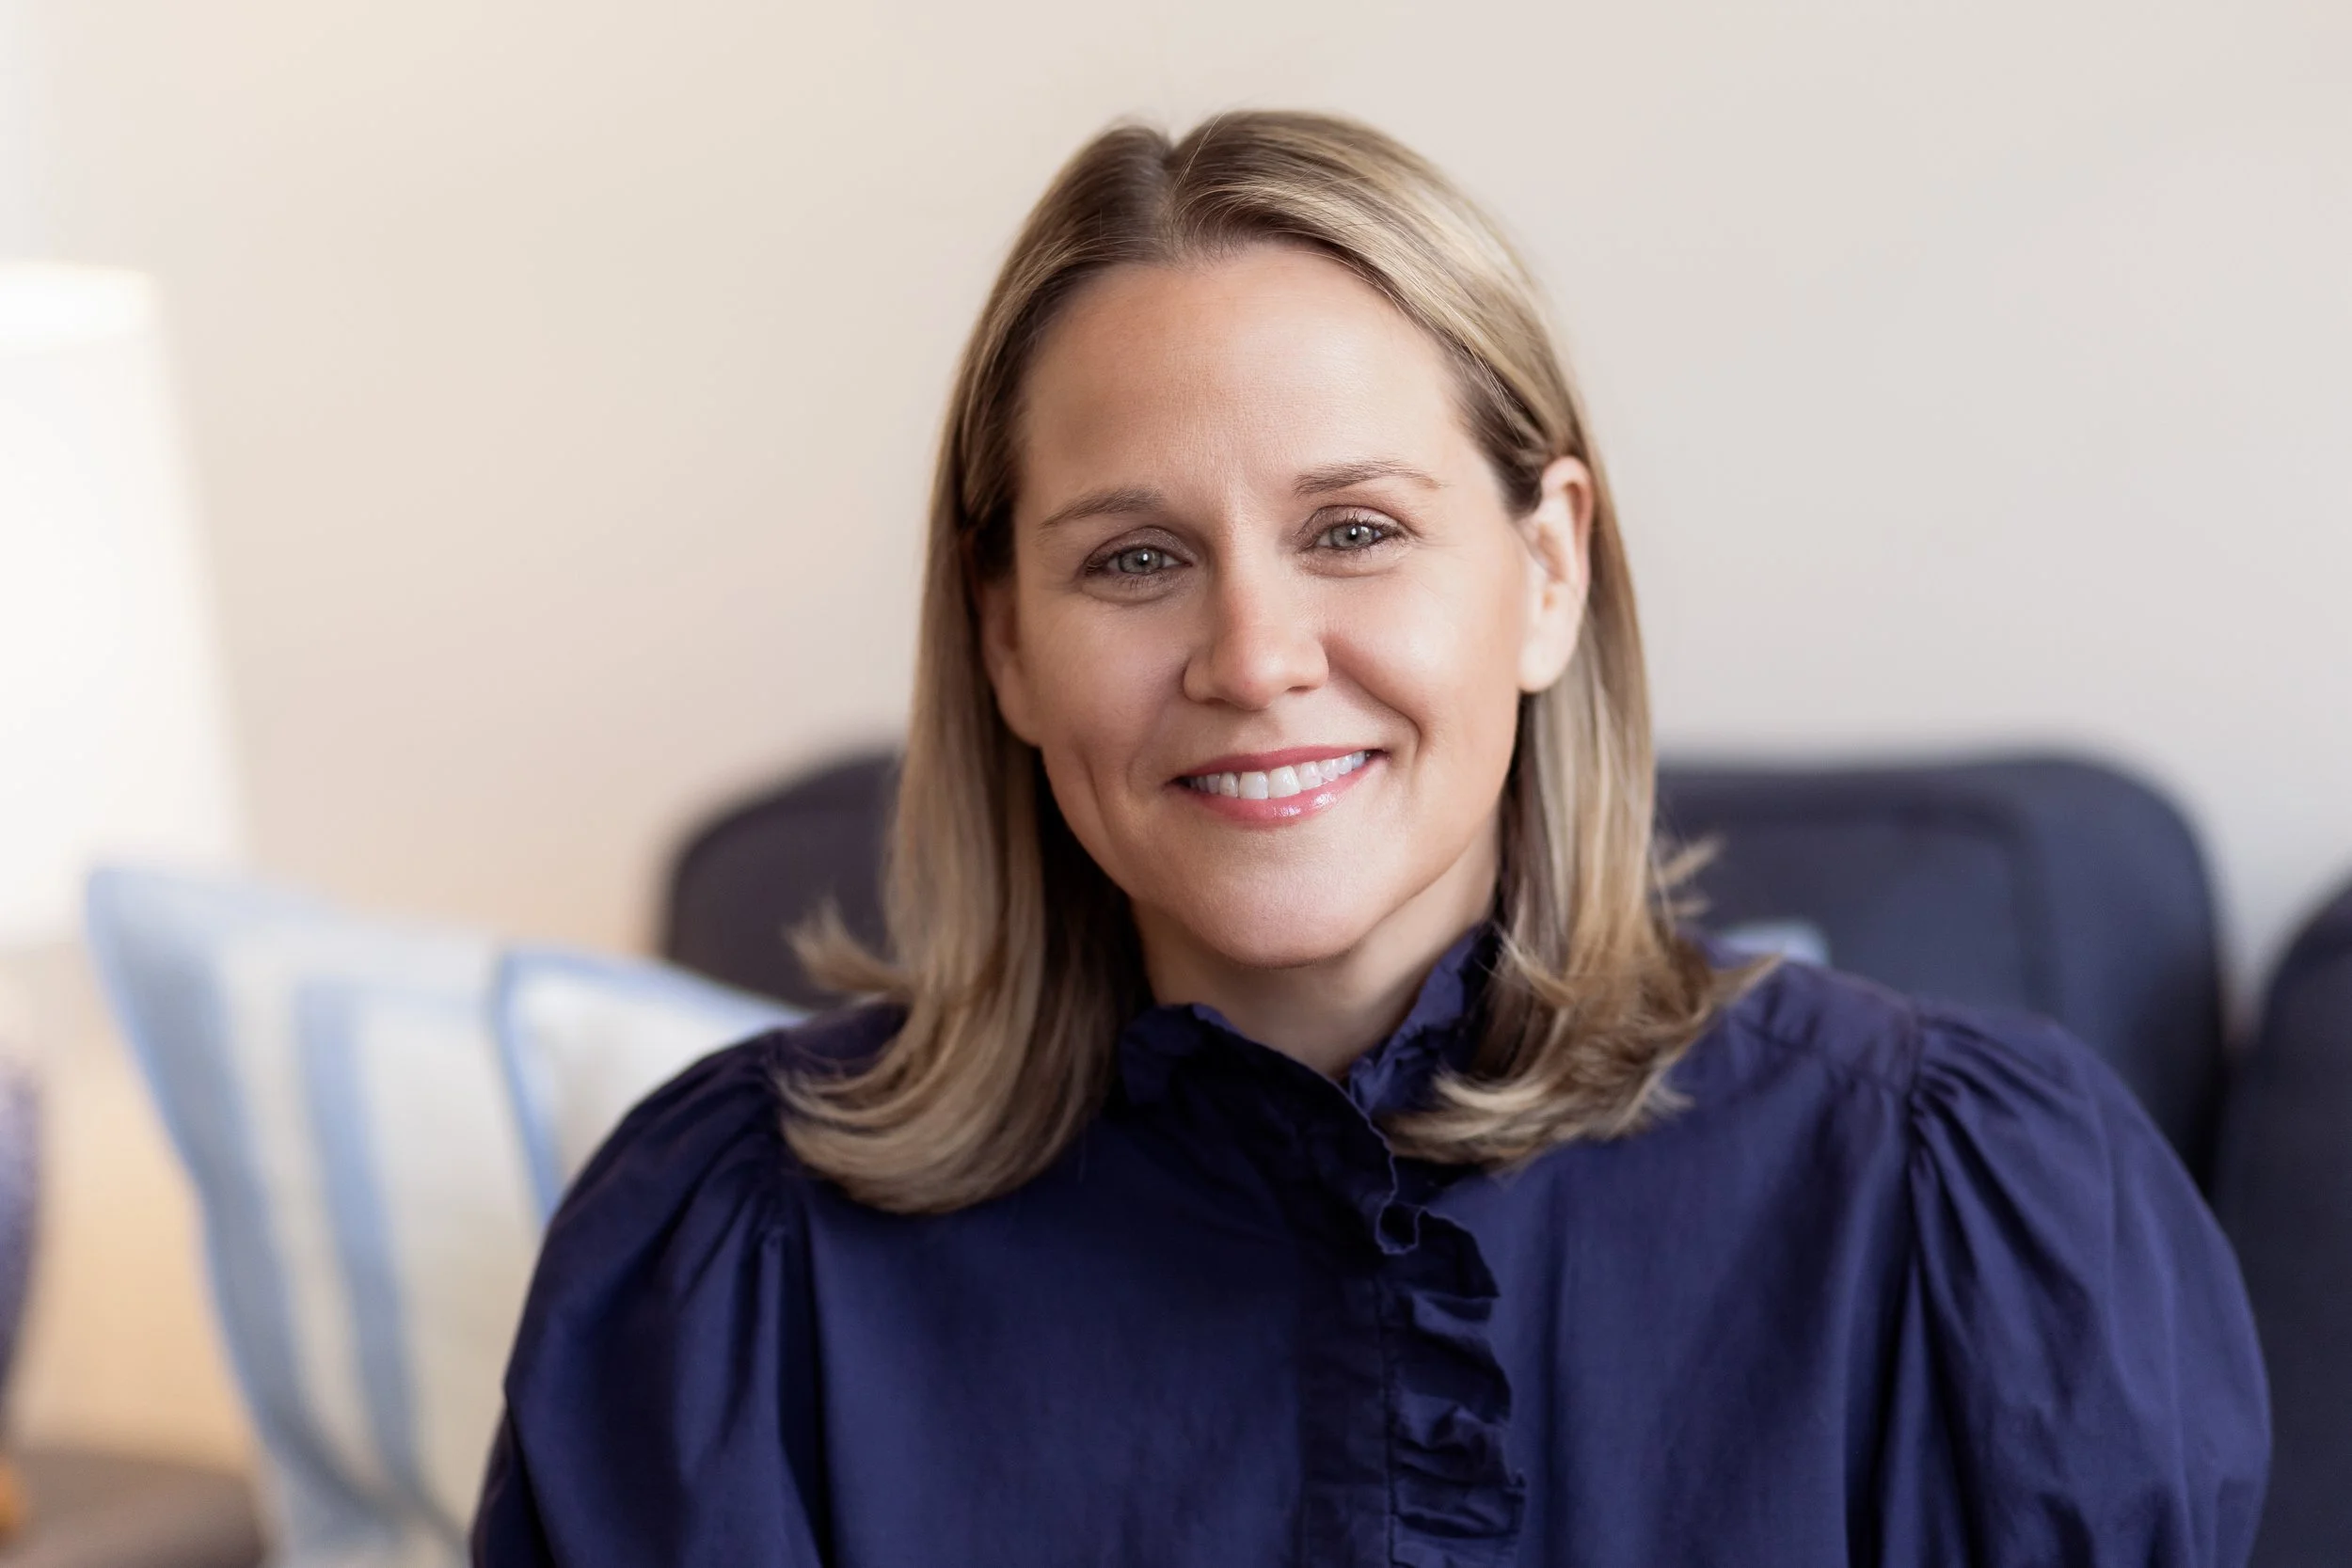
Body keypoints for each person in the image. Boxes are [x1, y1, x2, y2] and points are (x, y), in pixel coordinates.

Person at [470, 110, 2269, 1566]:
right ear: (1007, 638)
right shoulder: (732, 1266)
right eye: (1134, 559)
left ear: (1548, 567)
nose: (1255, 659)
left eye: (1352, 530)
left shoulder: (1954, 1213)